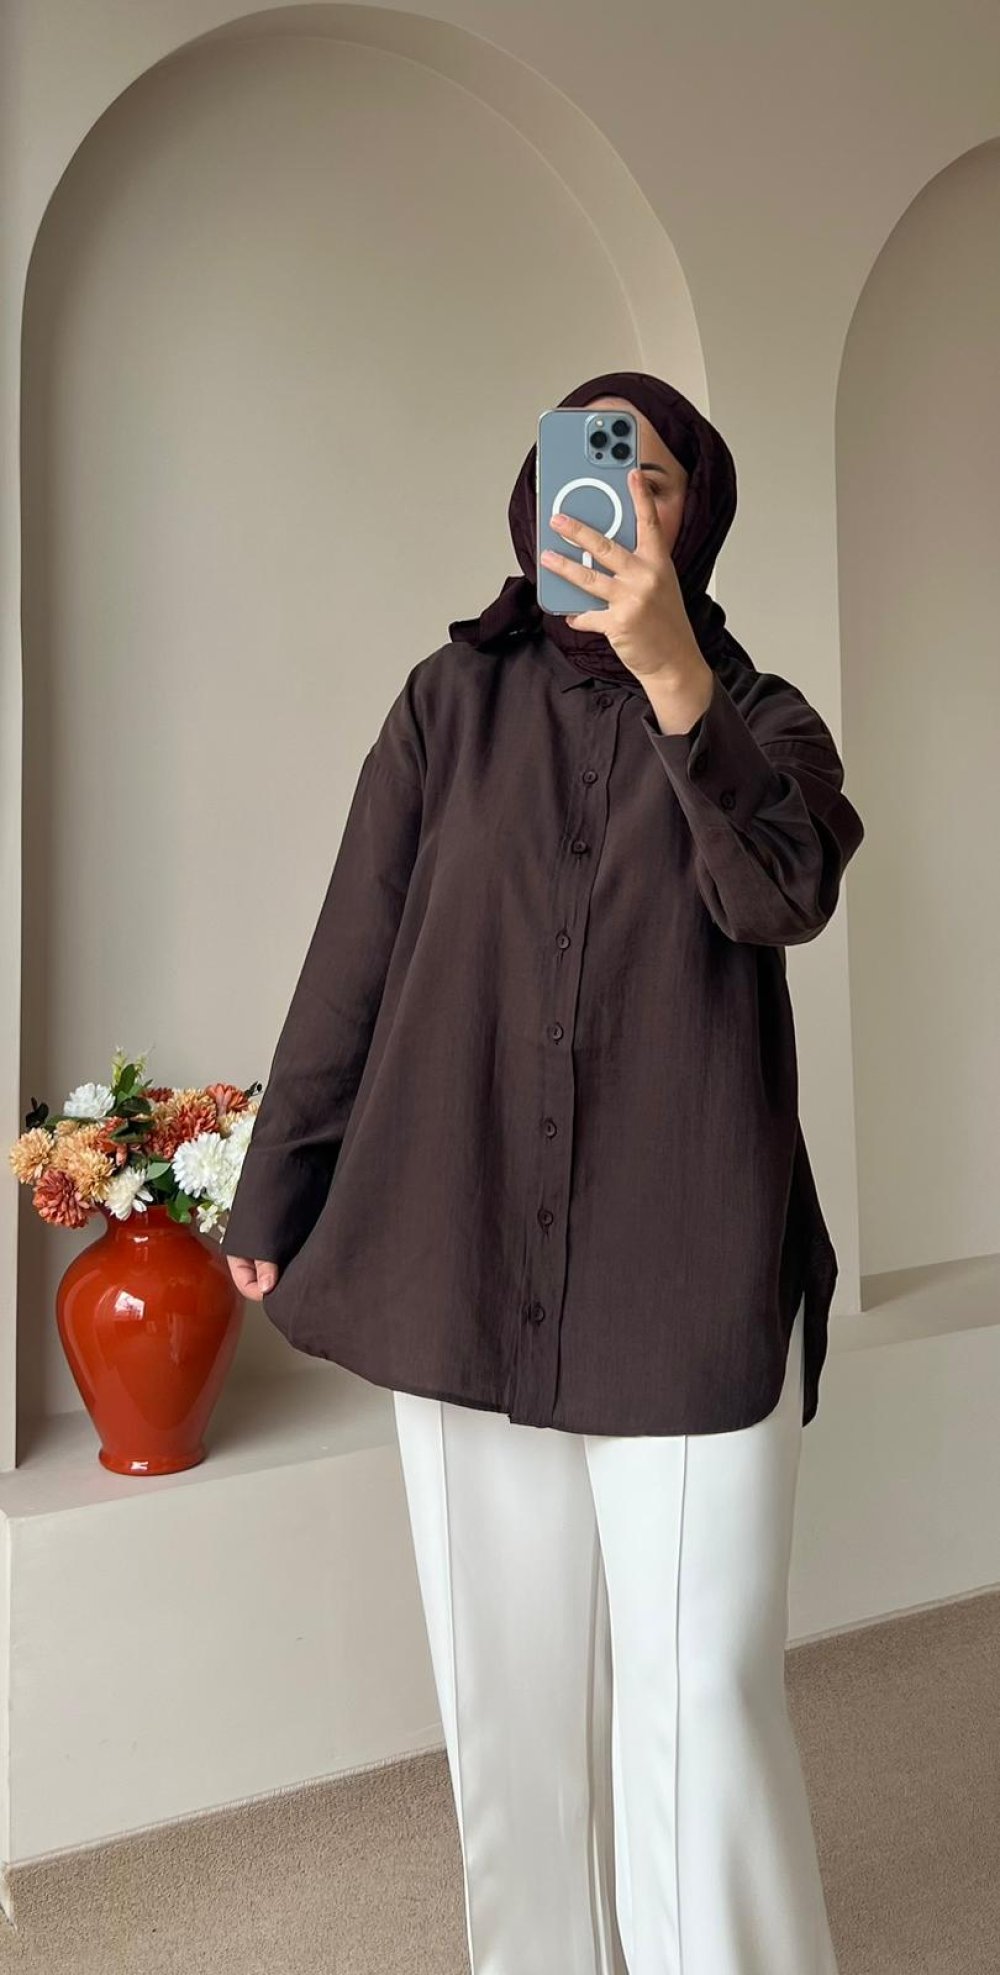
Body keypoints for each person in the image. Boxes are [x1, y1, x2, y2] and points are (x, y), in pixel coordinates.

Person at [222, 369, 863, 1973]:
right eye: (595, 464)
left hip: (685, 1271)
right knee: (504, 1713)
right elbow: (356, 953)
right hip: (456, 1253)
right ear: (537, 495)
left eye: (657, 479)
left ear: (699, 516)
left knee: (699, 1708)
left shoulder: (767, 719)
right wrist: (279, 1185)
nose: (620, 500)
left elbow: (783, 896)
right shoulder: (444, 706)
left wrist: (675, 680)